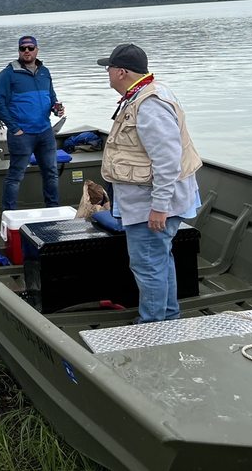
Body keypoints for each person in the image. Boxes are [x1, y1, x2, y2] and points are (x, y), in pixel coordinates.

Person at [98, 43, 202, 323]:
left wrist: (159, 208)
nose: (106, 72)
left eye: (108, 68)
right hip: (150, 201)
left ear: (121, 72)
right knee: (158, 259)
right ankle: (168, 317)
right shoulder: (146, 93)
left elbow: (168, 161)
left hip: (152, 204)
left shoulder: (150, 104)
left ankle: (153, 325)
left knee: (148, 264)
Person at [0, 35, 65, 210]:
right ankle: (9, 213)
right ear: (19, 51)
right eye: (23, 48)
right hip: (21, 135)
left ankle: (53, 210)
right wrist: (14, 128)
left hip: (45, 132)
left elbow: (51, 98)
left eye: (30, 48)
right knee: (15, 176)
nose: (27, 51)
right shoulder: (8, 74)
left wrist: (57, 109)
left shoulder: (45, 72)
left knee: (51, 173)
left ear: (36, 50)